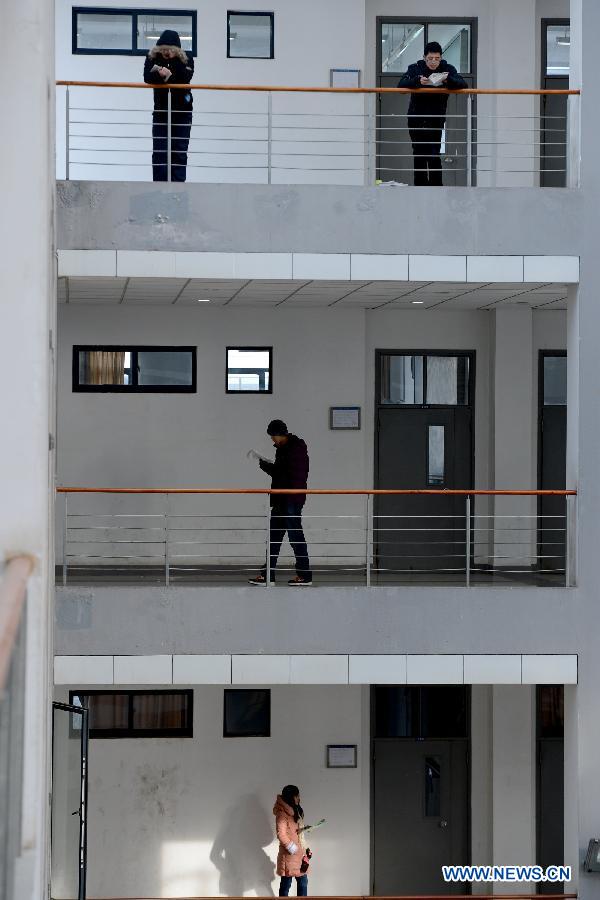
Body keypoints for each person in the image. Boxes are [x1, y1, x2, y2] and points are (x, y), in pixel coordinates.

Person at [248, 420, 312, 586]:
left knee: (295, 536)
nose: (272, 440)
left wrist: (265, 464)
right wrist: (269, 465)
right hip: (281, 499)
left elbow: (287, 475)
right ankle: (268, 574)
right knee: (274, 537)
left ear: (279, 434)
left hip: (290, 499)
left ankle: (304, 575)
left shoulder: (295, 448)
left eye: (273, 437)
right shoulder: (286, 449)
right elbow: (282, 472)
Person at [398, 41, 467, 186]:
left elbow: (463, 84)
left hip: (436, 119)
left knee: (434, 154)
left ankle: (436, 189)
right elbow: (401, 85)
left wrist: (447, 79)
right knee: (419, 154)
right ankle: (420, 189)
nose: (434, 62)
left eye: (437, 58)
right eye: (430, 59)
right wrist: (417, 81)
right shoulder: (416, 68)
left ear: (441, 57)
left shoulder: (447, 68)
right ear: (424, 57)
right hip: (416, 118)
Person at [143, 29, 194, 182]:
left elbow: (185, 77)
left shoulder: (187, 60)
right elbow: (147, 77)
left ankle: (178, 187)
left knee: (179, 151)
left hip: (182, 113)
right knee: (160, 150)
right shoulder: (152, 58)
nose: (166, 53)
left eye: (170, 50)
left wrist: (169, 73)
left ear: (177, 50)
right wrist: (160, 74)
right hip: (161, 112)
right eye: (163, 49)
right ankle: (159, 185)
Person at [273, 785, 310, 897]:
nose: (299, 798)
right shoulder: (281, 813)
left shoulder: (296, 810)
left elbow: (294, 831)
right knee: (286, 885)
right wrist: (292, 848)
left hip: (300, 854)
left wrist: (304, 829)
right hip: (289, 855)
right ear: (291, 797)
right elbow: (281, 834)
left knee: (303, 883)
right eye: (297, 796)